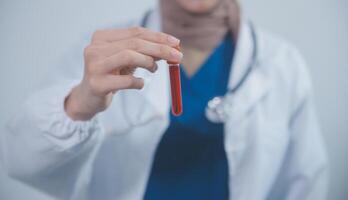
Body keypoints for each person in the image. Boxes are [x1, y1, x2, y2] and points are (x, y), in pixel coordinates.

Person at [1, 0, 328, 199]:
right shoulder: (97, 51)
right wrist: (78, 104)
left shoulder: (282, 63)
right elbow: (19, 158)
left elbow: (305, 183)